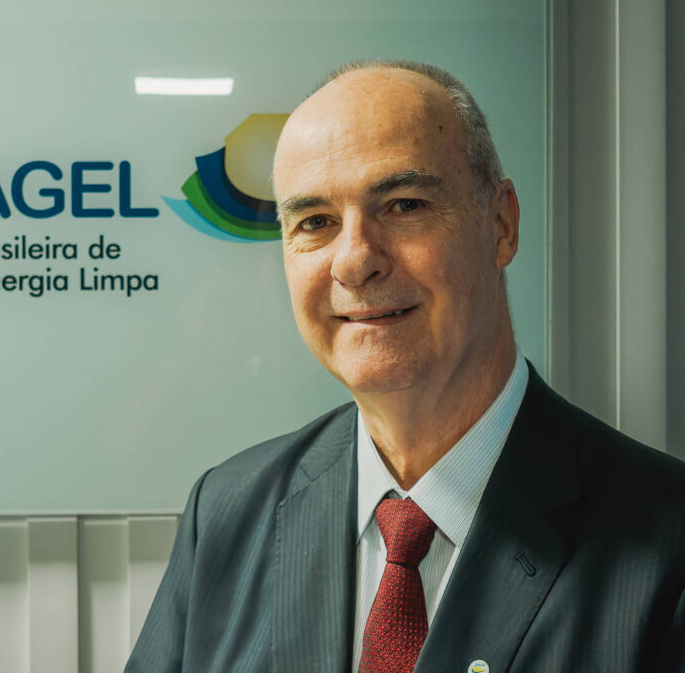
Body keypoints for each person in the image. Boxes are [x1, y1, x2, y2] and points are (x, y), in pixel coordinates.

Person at [125, 60, 685, 672]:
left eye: (404, 205)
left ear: (501, 224)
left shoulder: (668, 542)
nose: (354, 261)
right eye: (315, 223)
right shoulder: (226, 514)